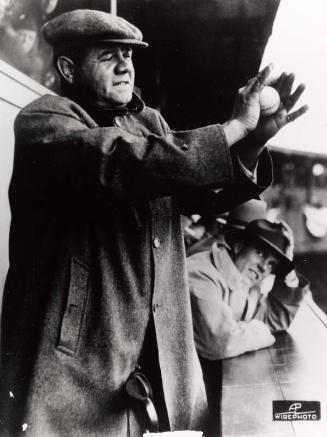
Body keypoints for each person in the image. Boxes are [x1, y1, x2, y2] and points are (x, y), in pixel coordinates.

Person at [0, 8, 308, 437]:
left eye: (128, 54)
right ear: (69, 68)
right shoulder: (43, 122)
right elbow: (120, 162)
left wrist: (252, 143)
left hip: (160, 365)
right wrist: (232, 127)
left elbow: (201, 194)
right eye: (109, 55)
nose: (126, 64)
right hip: (80, 366)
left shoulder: (149, 124)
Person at [188, 219, 310, 360]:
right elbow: (220, 343)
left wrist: (289, 276)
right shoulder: (202, 273)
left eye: (271, 264)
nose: (264, 267)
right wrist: (260, 331)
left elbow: (272, 321)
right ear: (239, 246)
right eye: (260, 253)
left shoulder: (247, 284)